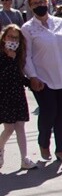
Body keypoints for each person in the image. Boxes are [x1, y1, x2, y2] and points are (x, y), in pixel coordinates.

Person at [22, 0, 62, 161]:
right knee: (49, 112)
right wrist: (33, 76)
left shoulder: (61, 23)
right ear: (30, 6)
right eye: (35, 3)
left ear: (48, 2)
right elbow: (26, 56)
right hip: (43, 79)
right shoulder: (27, 29)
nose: (40, 6)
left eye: (42, 2)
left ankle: (61, 149)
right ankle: (44, 142)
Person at [0, 25, 37, 170]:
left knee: (20, 126)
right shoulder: (2, 55)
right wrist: (8, 59)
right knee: (9, 128)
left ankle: (24, 159)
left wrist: (31, 82)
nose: (12, 40)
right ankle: (0, 149)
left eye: (15, 38)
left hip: (17, 94)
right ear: (4, 38)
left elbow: (19, 75)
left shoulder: (19, 54)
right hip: (4, 95)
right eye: (10, 37)